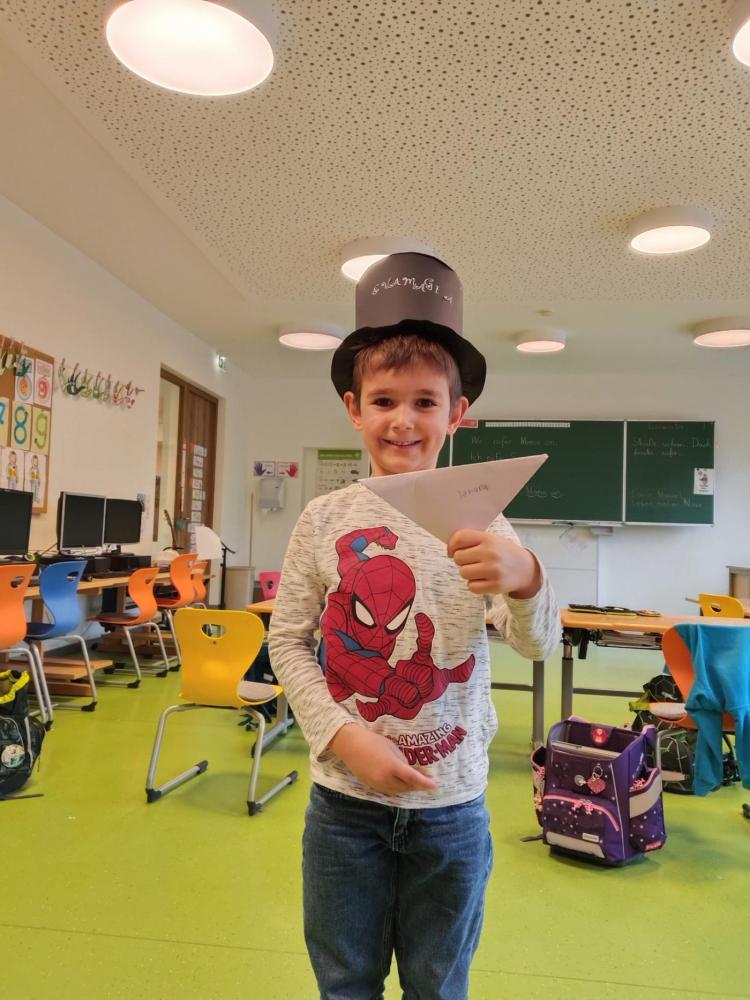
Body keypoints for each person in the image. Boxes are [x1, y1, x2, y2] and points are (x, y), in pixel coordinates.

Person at [268, 253, 560, 1000]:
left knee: (439, 985)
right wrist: (341, 736)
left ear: (456, 414)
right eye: (384, 400)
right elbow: (288, 640)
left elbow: (538, 644)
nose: (403, 419)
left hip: (451, 809)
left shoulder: (486, 522)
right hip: (344, 806)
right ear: (354, 408)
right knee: (345, 983)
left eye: (426, 401)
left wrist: (527, 577)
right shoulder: (324, 520)